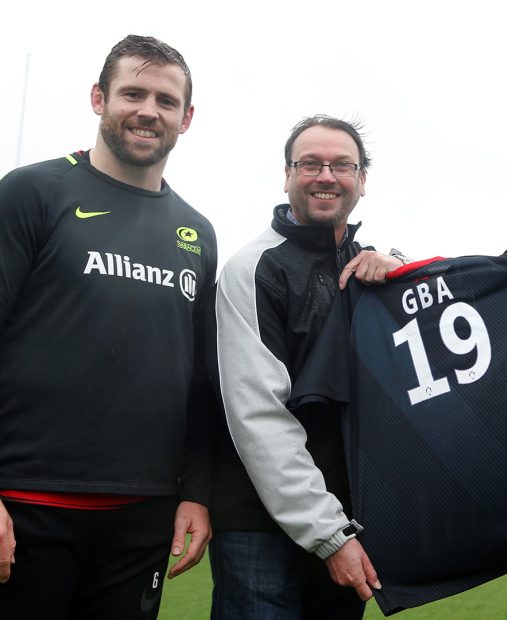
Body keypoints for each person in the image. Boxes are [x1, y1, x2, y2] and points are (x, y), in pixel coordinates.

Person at [0, 35, 214, 619]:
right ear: (99, 98)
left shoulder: (197, 231)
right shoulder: (32, 192)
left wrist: (195, 492)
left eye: (166, 101)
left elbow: (199, 381)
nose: (149, 111)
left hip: (142, 518)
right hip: (26, 505)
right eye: (133, 93)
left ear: (186, 118)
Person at [210, 115, 403, 619]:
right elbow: (259, 416)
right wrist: (328, 533)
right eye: (310, 164)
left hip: (348, 521)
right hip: (260, 526)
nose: (326, 176)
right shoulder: (252, 268)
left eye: (342, 165)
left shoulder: (373, 268)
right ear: (287, 175)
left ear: (362, 180)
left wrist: (401, 267)